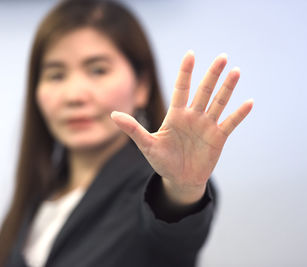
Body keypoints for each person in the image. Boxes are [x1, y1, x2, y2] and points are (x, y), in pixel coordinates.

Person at [0, 0, 253, 266]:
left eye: (98, 70)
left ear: (142, 85)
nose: (74, 95)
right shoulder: (36, 197)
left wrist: (182, 188)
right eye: (56, 75)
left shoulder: (154, 188)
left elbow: (175, 229)